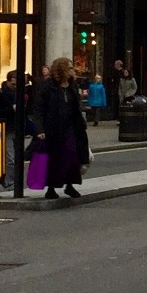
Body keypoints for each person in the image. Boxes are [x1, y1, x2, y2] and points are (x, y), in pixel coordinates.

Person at [33, 56, 90, 201]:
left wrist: (81, 123)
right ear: (61, 69)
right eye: (70, 68)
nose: (72, 70)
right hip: (52, 129)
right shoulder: (48, 86)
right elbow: (38, 109)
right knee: (54, 159)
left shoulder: (72, 85)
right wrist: (40, 130)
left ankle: (70, 185)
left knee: (71, 156)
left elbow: (76, 106)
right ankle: (51, 188)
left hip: (70, 127)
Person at [0, 70, 18, 190]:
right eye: (13, 84)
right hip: (5, 127)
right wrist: (11, 109)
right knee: (10, 157)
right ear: (8, 81)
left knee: (15, 156)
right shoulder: (0, 94)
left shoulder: (18, 93)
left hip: (16, 127)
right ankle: (9, 181)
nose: (15, 87)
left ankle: (10, 179)